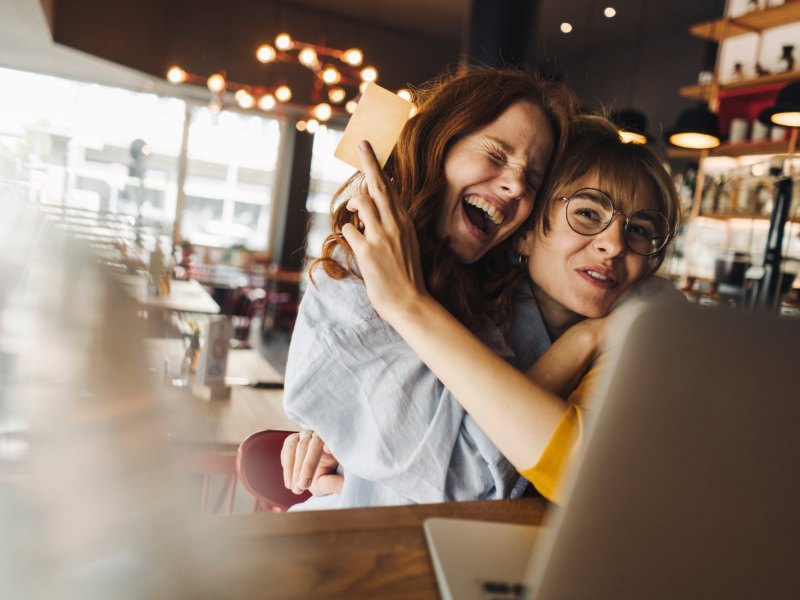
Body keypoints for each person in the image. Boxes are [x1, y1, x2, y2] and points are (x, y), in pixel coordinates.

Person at [285, 115, 682, 503]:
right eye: (587, 213)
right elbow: (449, 466)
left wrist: (359, 477)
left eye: (638, 231)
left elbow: (473, 478)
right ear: (524, 234)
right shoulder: (470, 314)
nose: (613, 245)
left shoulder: (645, 340)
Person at [282, 66, 579, 509]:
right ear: (438, 145)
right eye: (496, 156)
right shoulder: (351, 273)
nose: (516, 185)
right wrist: (584, 342)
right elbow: (469, 481)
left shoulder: (509, 288)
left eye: (532, 180)